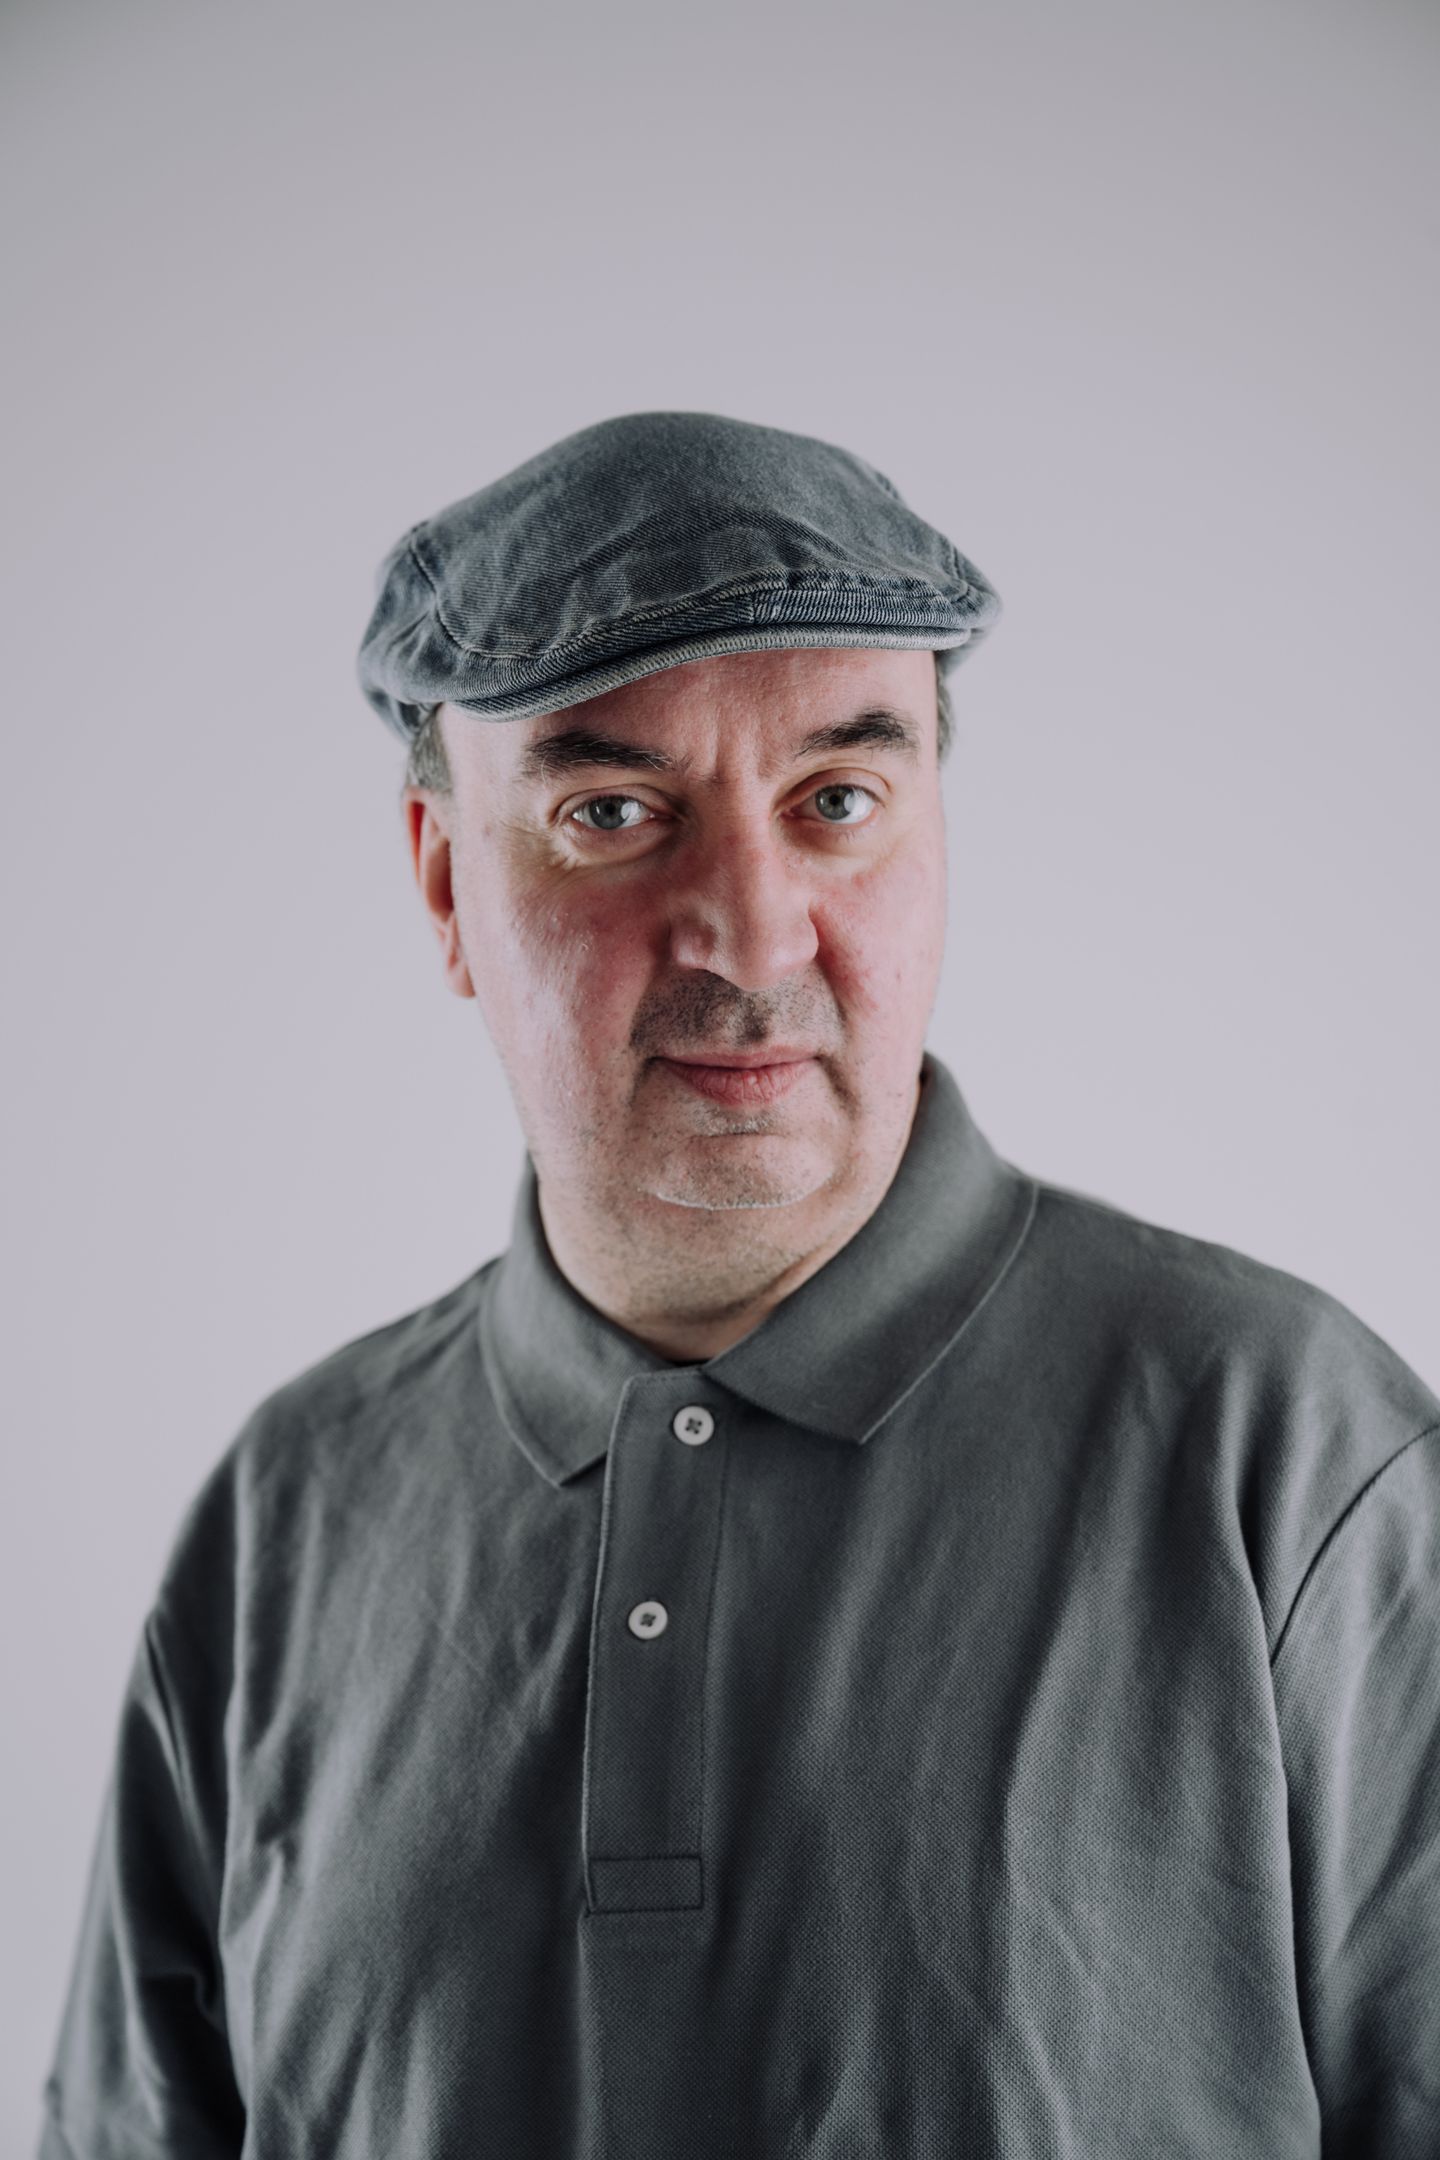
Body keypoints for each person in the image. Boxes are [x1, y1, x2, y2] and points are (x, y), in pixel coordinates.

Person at [39, 411, 1440, 2158]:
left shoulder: (1296, 1465)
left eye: (837, 802)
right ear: (446, 881)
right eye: (614, 813)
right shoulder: (283, 1521)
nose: (755, 931)